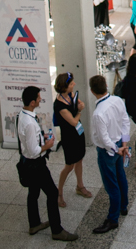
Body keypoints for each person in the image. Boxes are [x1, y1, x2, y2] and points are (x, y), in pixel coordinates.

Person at [17, 85, 78, 241]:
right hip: (36, 164)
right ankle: (57, 230)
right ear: (32, 102)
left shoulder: (23, 116)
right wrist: (47, 146)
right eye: (38, 98)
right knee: (52, 193)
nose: (40, 99)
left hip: (28, 163)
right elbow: (33, 151)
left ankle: (34, 223)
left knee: (34, 192)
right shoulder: (29, 123)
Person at [89, 75, 130, 234]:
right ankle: (123, 206)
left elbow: (104, 139)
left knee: (111, 184)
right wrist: (124, 144)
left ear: (92, 91)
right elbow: (125, 121)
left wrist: (115, 149)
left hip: (108, 151)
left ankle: (113, 219)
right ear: (106, 85)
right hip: (120, 143)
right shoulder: (118, 100)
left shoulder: (98, 113)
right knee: (121, 177)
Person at [53, 73, 91, 208]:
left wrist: (80, 105)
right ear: (64, 87)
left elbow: (79, 102)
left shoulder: (70, 95)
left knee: (79, 159)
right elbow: (74, 122)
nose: (73, 84)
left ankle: (80, 186)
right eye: (71, 84)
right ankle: (59, 192)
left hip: (78, 134)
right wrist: (80, 111)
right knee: (69, 166)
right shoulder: (60, 106)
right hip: (70, 137)